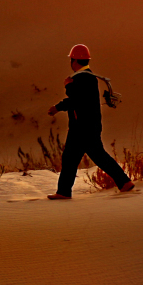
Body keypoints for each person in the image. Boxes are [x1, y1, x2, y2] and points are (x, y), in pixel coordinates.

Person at [46, 44, 134, 199]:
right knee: (93, 156)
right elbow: (79, 100)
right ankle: (124, 182)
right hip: (89, 125)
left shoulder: (80, 79)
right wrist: (59, 106)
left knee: (71, 159)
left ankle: (64, 192)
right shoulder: (89, 77)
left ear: (74, 60)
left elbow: (76, 100)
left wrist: (66, 89)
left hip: (81, 127)